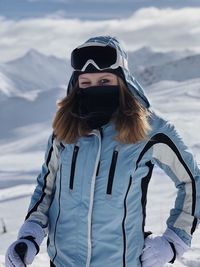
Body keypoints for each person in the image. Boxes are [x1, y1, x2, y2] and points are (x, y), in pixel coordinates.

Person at [5, 36, 200, 267]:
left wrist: (175, 240)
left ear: (123, 81)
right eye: (86, 83)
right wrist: (30, 235)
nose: (95, 89)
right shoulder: (65, 130)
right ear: (76, 86)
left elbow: (192, 181)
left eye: (105, 81)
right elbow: (46, 188)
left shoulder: (151, 130)